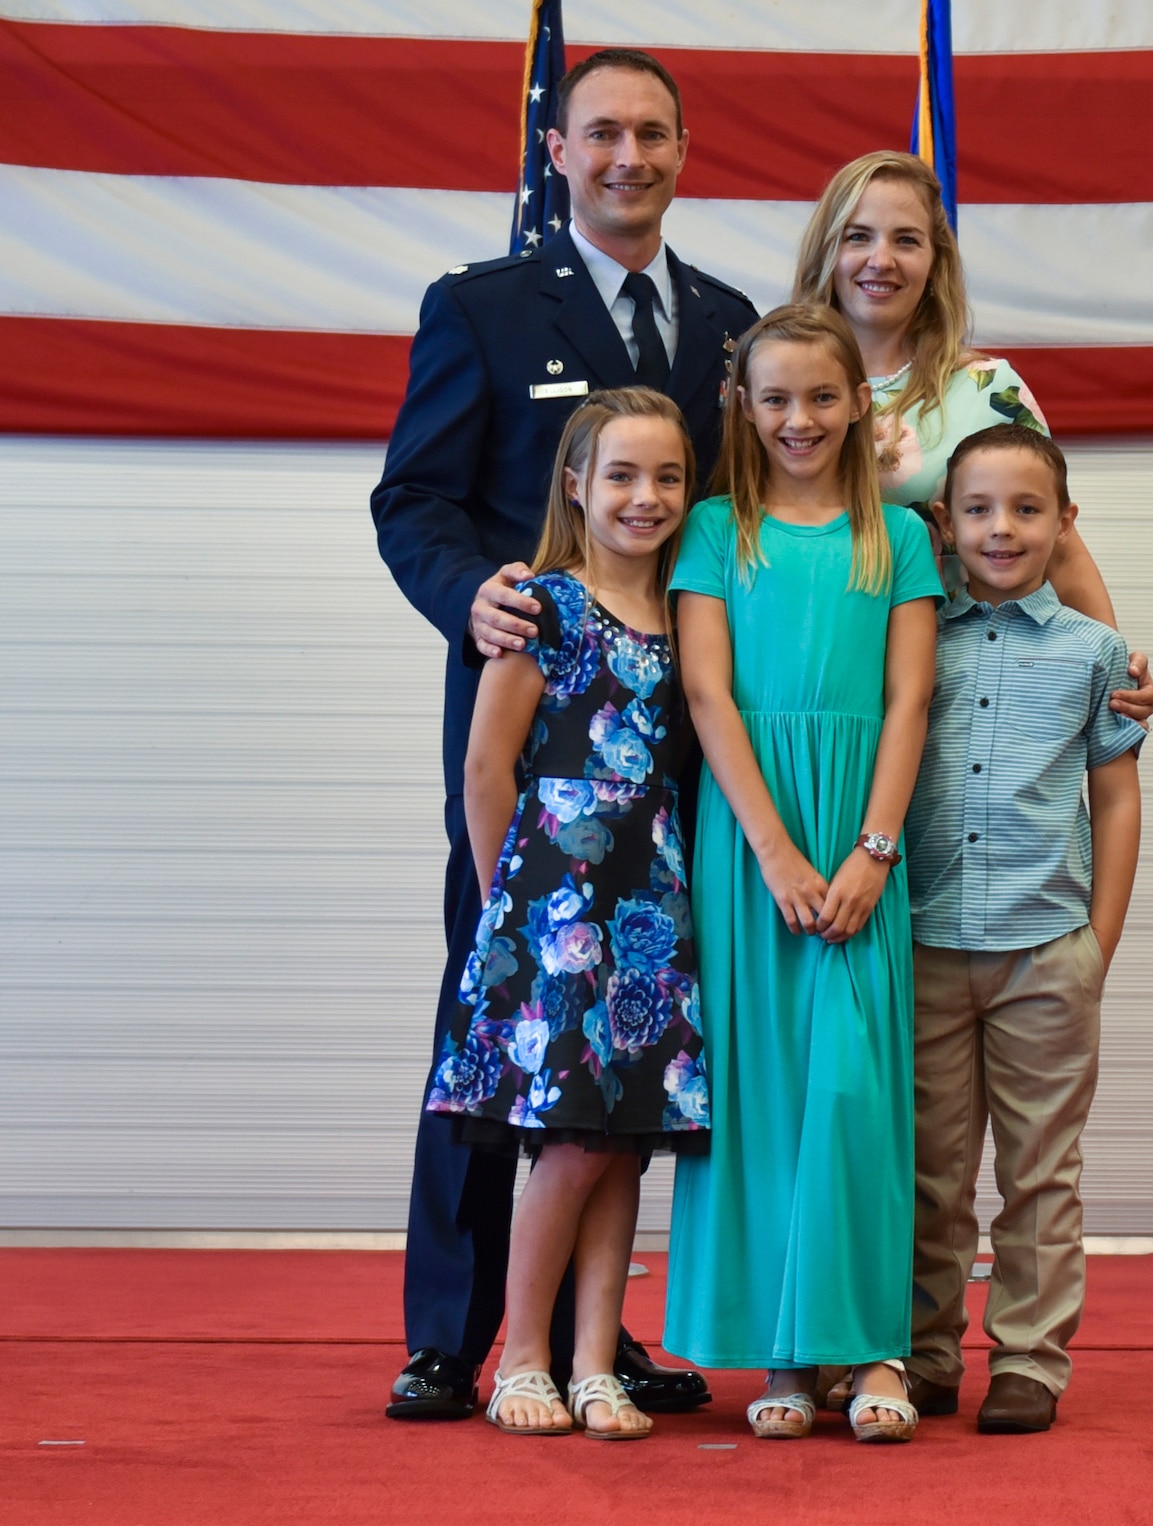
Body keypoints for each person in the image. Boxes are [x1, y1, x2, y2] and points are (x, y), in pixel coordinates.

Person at [371, 46, 758, 1422]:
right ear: (556, 148)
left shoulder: (728, 321)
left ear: (683, 148)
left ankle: (601, 1336)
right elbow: (412, 499)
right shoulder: (476, 307)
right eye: (600, 134)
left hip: (679, 738)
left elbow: (753, 519)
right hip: (529, 737)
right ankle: (452, 1327)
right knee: (498, 1025)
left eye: (652, 134)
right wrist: (461, 596)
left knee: (642, 1035)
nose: (626, 157)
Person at [661, 305, 942, 1444]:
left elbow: (909, 699)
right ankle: (784, 1352)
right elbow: (705, 697)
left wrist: (870, 850)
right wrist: (773, 850)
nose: (798, 418)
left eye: (821, 397)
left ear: (857, 406)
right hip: (750, 840)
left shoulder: (901, 541)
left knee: (854, 1096)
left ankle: (872, 1346)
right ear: (741, 406)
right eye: (774, 398)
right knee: (764, 1097)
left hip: (857, 839)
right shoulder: (713, 531)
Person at [426, 388, 708, 1439]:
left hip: (652, 903)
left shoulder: (687, 615)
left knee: (625, 1138)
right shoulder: (541, 608)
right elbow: (485, 767)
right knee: (568, 1143)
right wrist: (520, 907)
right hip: (555, 909)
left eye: (667, 477)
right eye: (622, 476)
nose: (645, 498)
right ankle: (519, 1356)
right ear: (576, 484)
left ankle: (598, 1359)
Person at [904, 424, 1145, 1434]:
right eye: (976, 510)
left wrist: (1096, 944)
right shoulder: (910, 636)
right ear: (943, 525)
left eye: (1024, 509)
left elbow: (1115, 799)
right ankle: (919, 1356)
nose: (999, 529)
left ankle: (1029, 1361)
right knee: (929, 1171)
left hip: (1044, 950)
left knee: (1041, 1170)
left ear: (1063, 522)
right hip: (922, 947)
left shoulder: (1096, 655)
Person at [788, 149, 1153, 721]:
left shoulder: (989, 391)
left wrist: (1110, 668)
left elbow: (1060, 550)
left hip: (964, 692)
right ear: (827, 250)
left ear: (936, 262)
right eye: (857, 236)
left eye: (906, 240)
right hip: (807, 690)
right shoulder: (774, 383)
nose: (880, 260)